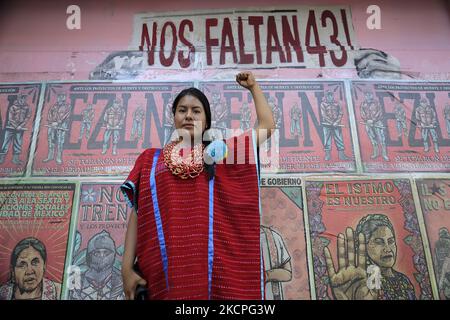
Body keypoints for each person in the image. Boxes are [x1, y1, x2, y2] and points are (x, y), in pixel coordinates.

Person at [120, 71, 275, 300]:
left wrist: (253, 87)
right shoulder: (150, 160)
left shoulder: (221, 154)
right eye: (182, 110)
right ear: (173, 117)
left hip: (214, 274)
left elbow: (267, 125)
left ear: (206, 120)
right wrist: (125, 269)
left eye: (196, 111)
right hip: (165, 274)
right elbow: (137, 215)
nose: (188, 116)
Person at [324, 214, 415, 300]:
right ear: (363, 246)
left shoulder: (403, 280)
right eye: (379, 242)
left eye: (391, 241)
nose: (388, 249)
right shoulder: (359, 283)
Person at [69, 230, 124, 300]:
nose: (102, 256)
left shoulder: (119, 281)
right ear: (89, 255)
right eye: (97, 253)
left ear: (113, 255)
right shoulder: (79, 280)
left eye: (106, 252)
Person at [0, 94, 31, 165]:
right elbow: (10, 118)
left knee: (18, 143)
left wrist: (20, 126)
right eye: (21, 99)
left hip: (20, 129)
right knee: (5, 143)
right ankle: (1, 158)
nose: (22, 101)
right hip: (10, 128)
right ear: (18, 99)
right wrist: (15, 126)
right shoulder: (13, 107)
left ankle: (15, 159)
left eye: (24, 99)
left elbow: (27, 117)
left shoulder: (27, 108)